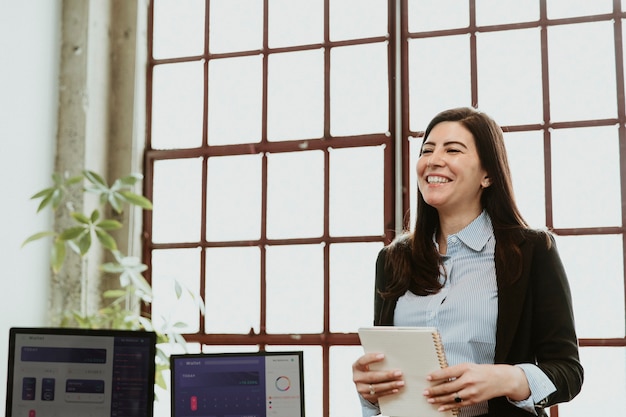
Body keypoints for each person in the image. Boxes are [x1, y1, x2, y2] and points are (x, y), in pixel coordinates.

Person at [352, 107, 583, 417]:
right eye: (427, 150)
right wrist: (370, 392)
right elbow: (386, 381)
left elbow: (568, 372)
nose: (433, 160)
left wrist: (508, 378)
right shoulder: (393, 259)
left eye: (453, 150)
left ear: (487, 174)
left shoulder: (531, 251)